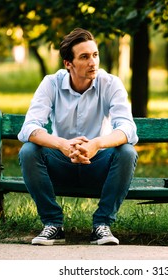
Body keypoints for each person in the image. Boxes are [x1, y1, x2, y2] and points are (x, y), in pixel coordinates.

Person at [18, 28, 138, 246]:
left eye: (95, 55)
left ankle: (102, 225)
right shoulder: (51, 83)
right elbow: (29, 128)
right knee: (28, 151)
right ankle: (53, 224)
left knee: (127, 152)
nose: (93, 62)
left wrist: (95, 144)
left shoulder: (110, 83)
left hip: (97, 164)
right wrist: (62, 145)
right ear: (68, 64)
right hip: (60, 164)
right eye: (84, 57)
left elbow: (128, 129)